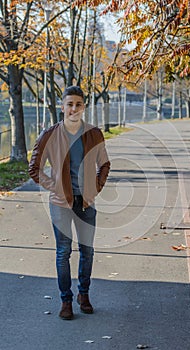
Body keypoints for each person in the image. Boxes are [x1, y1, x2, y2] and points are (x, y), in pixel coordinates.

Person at [29, 86, 110, 320]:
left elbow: (104, 164)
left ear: (84, 107)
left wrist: (96, 187)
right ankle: (66, 300)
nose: (74, 108)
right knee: (63, 252)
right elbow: (34, 168)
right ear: (62, 106)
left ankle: (83, 294)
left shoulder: (94, 134)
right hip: (60, 203)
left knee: (87, 250)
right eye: (69, 104)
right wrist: (53, 185)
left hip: (86, 203)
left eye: (78, 104)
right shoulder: (49, 135)